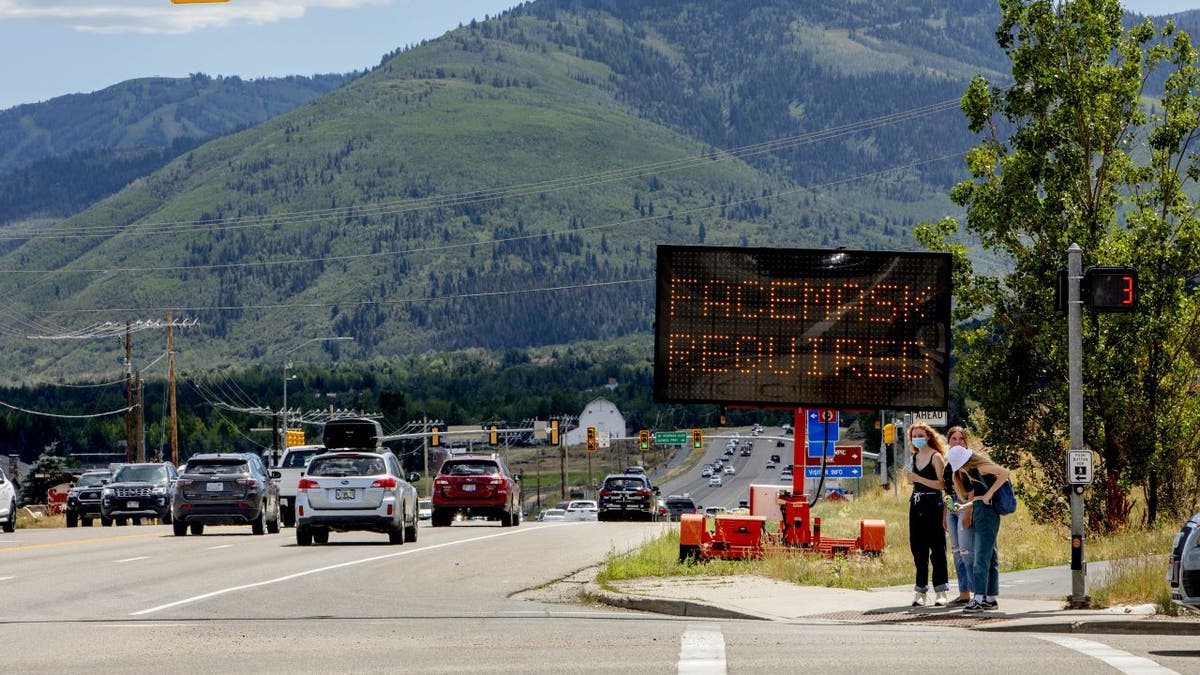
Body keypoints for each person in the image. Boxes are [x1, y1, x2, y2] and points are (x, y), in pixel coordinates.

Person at [947, 443, 1011, 612]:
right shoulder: (973, 471)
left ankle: (978, 598)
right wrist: (965, 505)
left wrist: (990, 493)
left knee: (981, 556)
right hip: (981, 510)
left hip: (986, 513)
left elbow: (1004, 473)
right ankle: (990, 598)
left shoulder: (981, 467)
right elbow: (980, 497)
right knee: (990, 556)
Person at [901, 422, 950, 607]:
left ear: (928, 436)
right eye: (914, 436)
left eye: (921, 435)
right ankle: (920, 590)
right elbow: (910, 481)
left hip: (933, 503)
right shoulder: (913, 457)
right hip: (916, 503)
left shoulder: (936, 457)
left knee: (937, 548)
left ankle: (941, 590)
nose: (917, 439)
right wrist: (910, 477)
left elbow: (941, 484)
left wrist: (919, 478)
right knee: (918, 548)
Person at [942, 426, 974, 606]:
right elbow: (946, 491)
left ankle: (977, 592)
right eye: (954, 439)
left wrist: (968, 512)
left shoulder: (968, 462)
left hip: (964, 505)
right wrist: (946, 513)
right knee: (955, 551)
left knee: (966, 550)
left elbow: (973, 490)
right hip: (951, 507)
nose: (957, 442)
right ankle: (963, 593)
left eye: (961, 438)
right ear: (949, 442)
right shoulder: (948, 464)